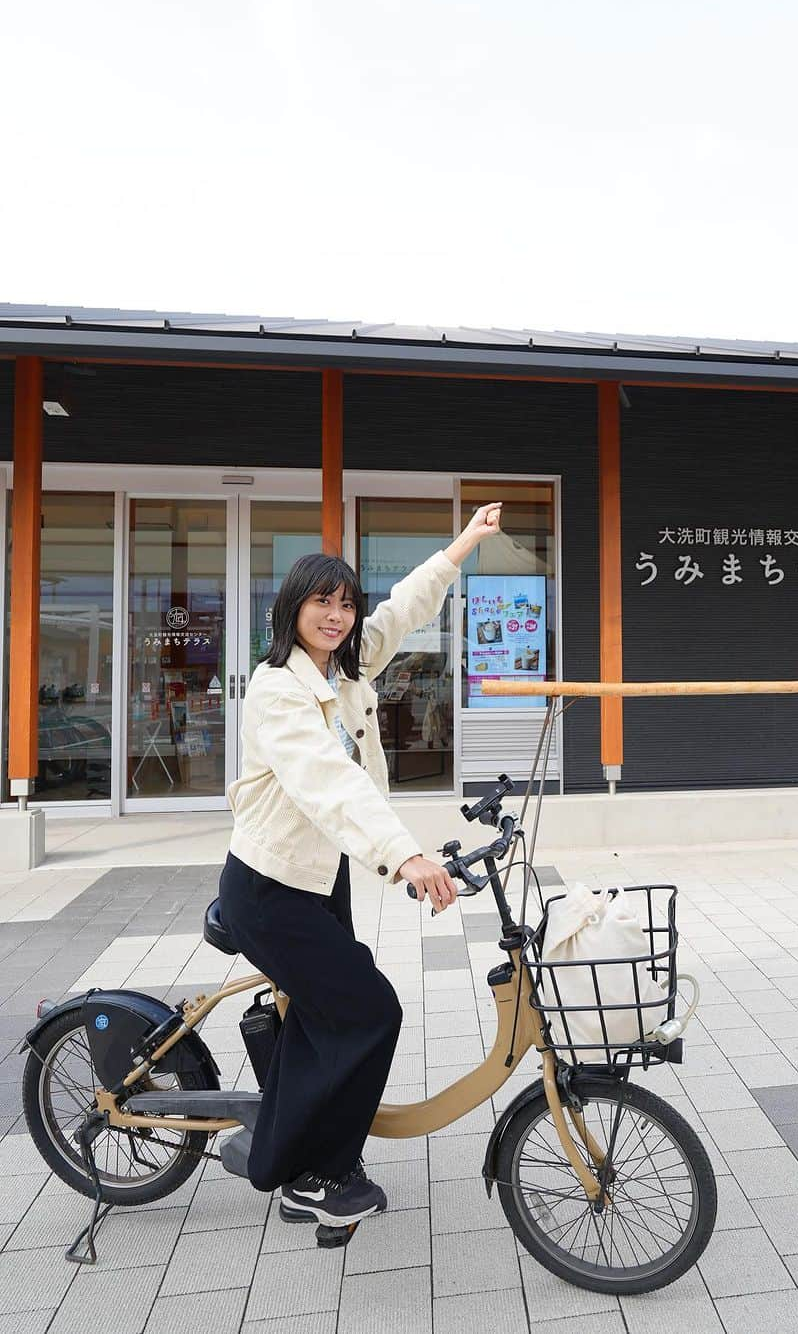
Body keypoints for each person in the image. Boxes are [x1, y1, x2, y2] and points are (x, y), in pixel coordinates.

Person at [218, 502, 503, 1226]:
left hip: (317, 880)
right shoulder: (278, 690)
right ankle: (307, 1175)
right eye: (323, 602)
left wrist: (464, 543)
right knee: (369, 1012)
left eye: (345, 604)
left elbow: (404, 608)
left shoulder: (343, 672)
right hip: (269, 888)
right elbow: (327, 781)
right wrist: (404, 855)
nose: (338, 616)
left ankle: (310, 1146)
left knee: (327, 1013)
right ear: (294, 609)